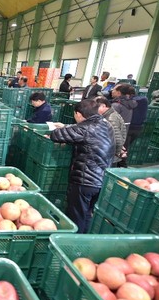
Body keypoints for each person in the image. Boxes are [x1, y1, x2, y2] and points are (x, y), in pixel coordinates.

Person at [50, 99, 115, 233]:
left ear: (78, 114)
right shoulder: (105, 124)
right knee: (86, 213)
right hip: (101, 178)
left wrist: (62, 129)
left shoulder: (85, 128)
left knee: (76, 215)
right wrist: (66, 126)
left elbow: (56, 135)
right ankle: (83, 237)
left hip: (85, 180)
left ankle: (74, 244)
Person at [95, 96, 126, 166]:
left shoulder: (110, 118)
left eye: (96, 108)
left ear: (103, 106)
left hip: (110, 155)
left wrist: (117, 153)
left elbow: (117, 139)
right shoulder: (111, 114)